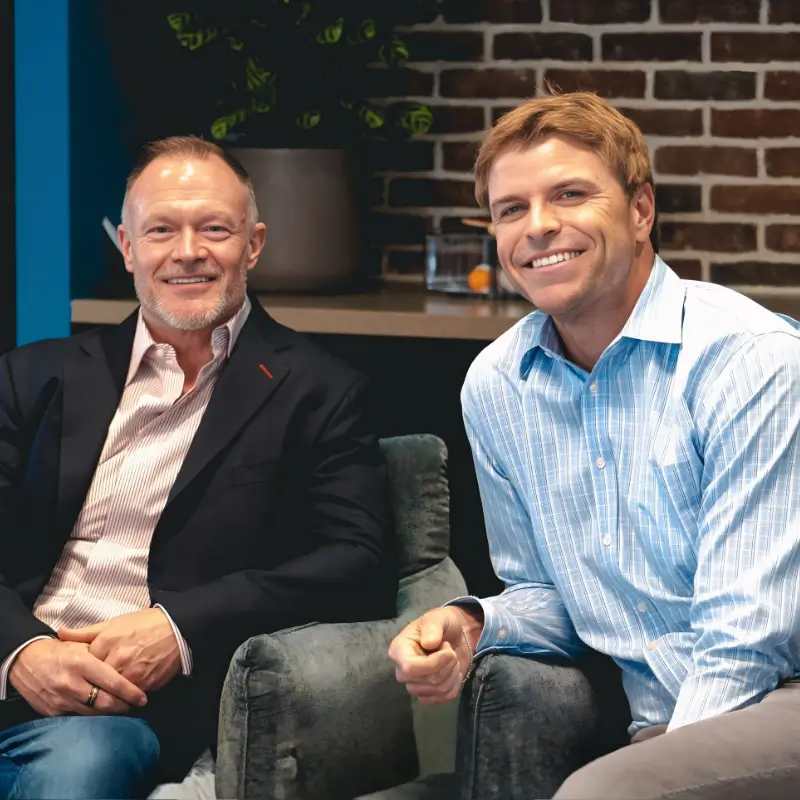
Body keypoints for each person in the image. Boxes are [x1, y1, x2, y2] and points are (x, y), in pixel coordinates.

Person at [389, 91, 800, 799]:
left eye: (570, 195)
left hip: (776, 694)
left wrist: (662, 760)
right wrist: (472, 623)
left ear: (641, 210)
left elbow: (747, 638)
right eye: (511, 209)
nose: (539, 227)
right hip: (659, 727)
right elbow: (550, 596)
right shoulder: (498, 385)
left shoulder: (749, 359)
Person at [0, 136, 394, 799]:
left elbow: (359, 562)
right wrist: (21, 653)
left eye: (214, 229)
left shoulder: (320, 392)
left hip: (113, 716)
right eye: (161, 230)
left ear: (253, 245)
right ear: (128, 247)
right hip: (13, 665)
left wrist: (179, 626)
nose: (187, 251)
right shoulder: (33, 376)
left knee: (80, 773)